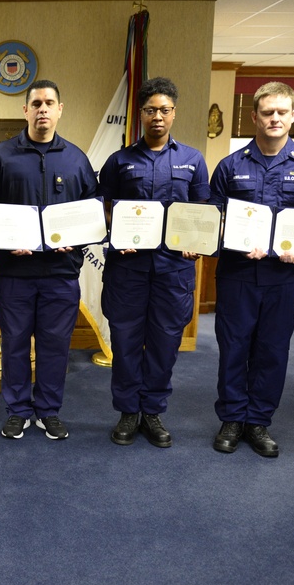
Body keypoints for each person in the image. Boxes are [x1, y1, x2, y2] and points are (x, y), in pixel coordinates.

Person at [209, 81, 294, 457]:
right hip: (237, 275)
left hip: (282, 277)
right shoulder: (230, 166)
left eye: (281, 112)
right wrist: (230, 237)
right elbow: (213, 220)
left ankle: (258, 421)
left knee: (272, 351)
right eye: (267, 112)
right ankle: (231, 418)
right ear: (254, 117)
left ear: (293, 115)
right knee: (234, 348)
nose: (274, 118)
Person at [0, 79, 99, 440]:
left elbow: (92, 214)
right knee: (15, 344)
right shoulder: (1, 156)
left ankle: (48, 410)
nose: (43, 109)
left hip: (61, 274)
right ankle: (17, 410)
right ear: (26, 110)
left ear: (60, 109)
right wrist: (6, 240)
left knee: (55, 346)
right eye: (36, 103)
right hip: (15, 272)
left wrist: (76, 239)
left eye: (50, 103)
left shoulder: (77, 159)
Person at [98, 77, 210, 448]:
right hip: (127, 270)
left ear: (174, 113)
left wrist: (197, 243)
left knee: (164, 344)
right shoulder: (119, 160)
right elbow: (105, 210)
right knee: (126, 342)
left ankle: (153, 411)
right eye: (150, 110)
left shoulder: (192, 160)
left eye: (164, 110)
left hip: (173, 270)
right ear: (140, 114)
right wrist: (117, 236)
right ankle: (128, 412)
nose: (157, 117)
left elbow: (202, 212)